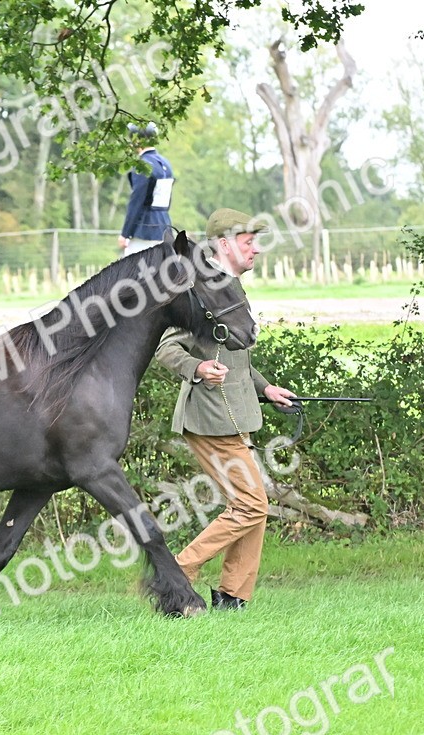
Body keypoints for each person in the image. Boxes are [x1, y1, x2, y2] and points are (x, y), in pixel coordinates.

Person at [154, 208, 297, 610]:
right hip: (210, 417)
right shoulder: (199, 289)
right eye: (248, 241)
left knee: (252, 508)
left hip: (237, 412)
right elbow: (167, 347)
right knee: (252, 505)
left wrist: (267, 388)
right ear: (224, 244)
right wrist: (197, 367)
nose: (255, 249)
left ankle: (233, 596)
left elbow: (237, 360)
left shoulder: (229, 285)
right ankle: (178, 572)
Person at [118, 122, 174, 256]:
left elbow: (137, 201)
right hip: (164, 227)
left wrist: (125, 233)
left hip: (144, 230)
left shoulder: (142, 165)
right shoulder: (166, 163)